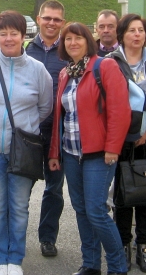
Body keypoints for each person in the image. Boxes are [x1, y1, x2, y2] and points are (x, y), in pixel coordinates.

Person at [0, 10, 53, 275]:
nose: (8, 38)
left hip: (23, 151)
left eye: (13, 33)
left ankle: (15, 258)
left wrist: (23, 128)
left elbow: (45, 107)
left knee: (18, 206)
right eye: (2, 33)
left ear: (23, 35)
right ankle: (0, 258)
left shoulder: (37, 70)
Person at [48, 22, 130, 275]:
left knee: (96, 211)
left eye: (78, 38)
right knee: (82, 210)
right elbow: (60, 117)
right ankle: (91, 264)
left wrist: (113, 147)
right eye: (68, 39)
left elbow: (120, 111)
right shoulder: (65, 73)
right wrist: (55, 152)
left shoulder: (105, 66)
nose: (73, 43)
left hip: (99, 153)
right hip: (71, 153)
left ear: (88, 42)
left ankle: (117, 266)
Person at [107, 14, 146, 274]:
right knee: (123, 196)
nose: (137, 34)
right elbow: (105, 99)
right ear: (122, 35)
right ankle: (123, 246)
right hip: (120, 139)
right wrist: (123, 132)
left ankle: (143, 246)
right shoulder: (110, 62)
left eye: (141, 30)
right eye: (131, 30)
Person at [24, 0, 67, 258]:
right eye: (47, 18)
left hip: (58, 132)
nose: (51, 23)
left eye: (57, 19)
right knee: (22, 188)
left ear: (63, 22)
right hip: (29, 131)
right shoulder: (25, 50)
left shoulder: (70, 50)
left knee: (54, 189)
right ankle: (16, 236)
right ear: (38, 19)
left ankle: (48, 238)